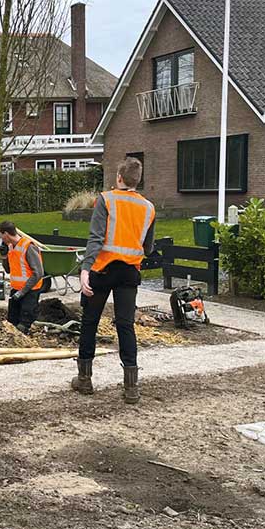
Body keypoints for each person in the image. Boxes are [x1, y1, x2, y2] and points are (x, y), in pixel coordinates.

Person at [71, 157, 155, 403]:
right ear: (137, 180)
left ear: (119, 177)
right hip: (129, 273)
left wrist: (85, 269)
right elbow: (148, 247)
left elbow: (95, 238)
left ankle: (84, 380)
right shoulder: (148, 208)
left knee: (90, 322)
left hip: (103, 270)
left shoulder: (106, 200)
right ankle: (131, 388)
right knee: (125, 325)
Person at [0, 220, 44, 334]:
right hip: (16, 290)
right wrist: (4, 257)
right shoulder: (10, 247)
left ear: (6, 234)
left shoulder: (28, 247)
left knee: (24, 325)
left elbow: (38, 273)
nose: (0, 238)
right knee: (12, 322)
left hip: (30, 291)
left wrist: (22, 292)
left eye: (0, 235)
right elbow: (8, 270)